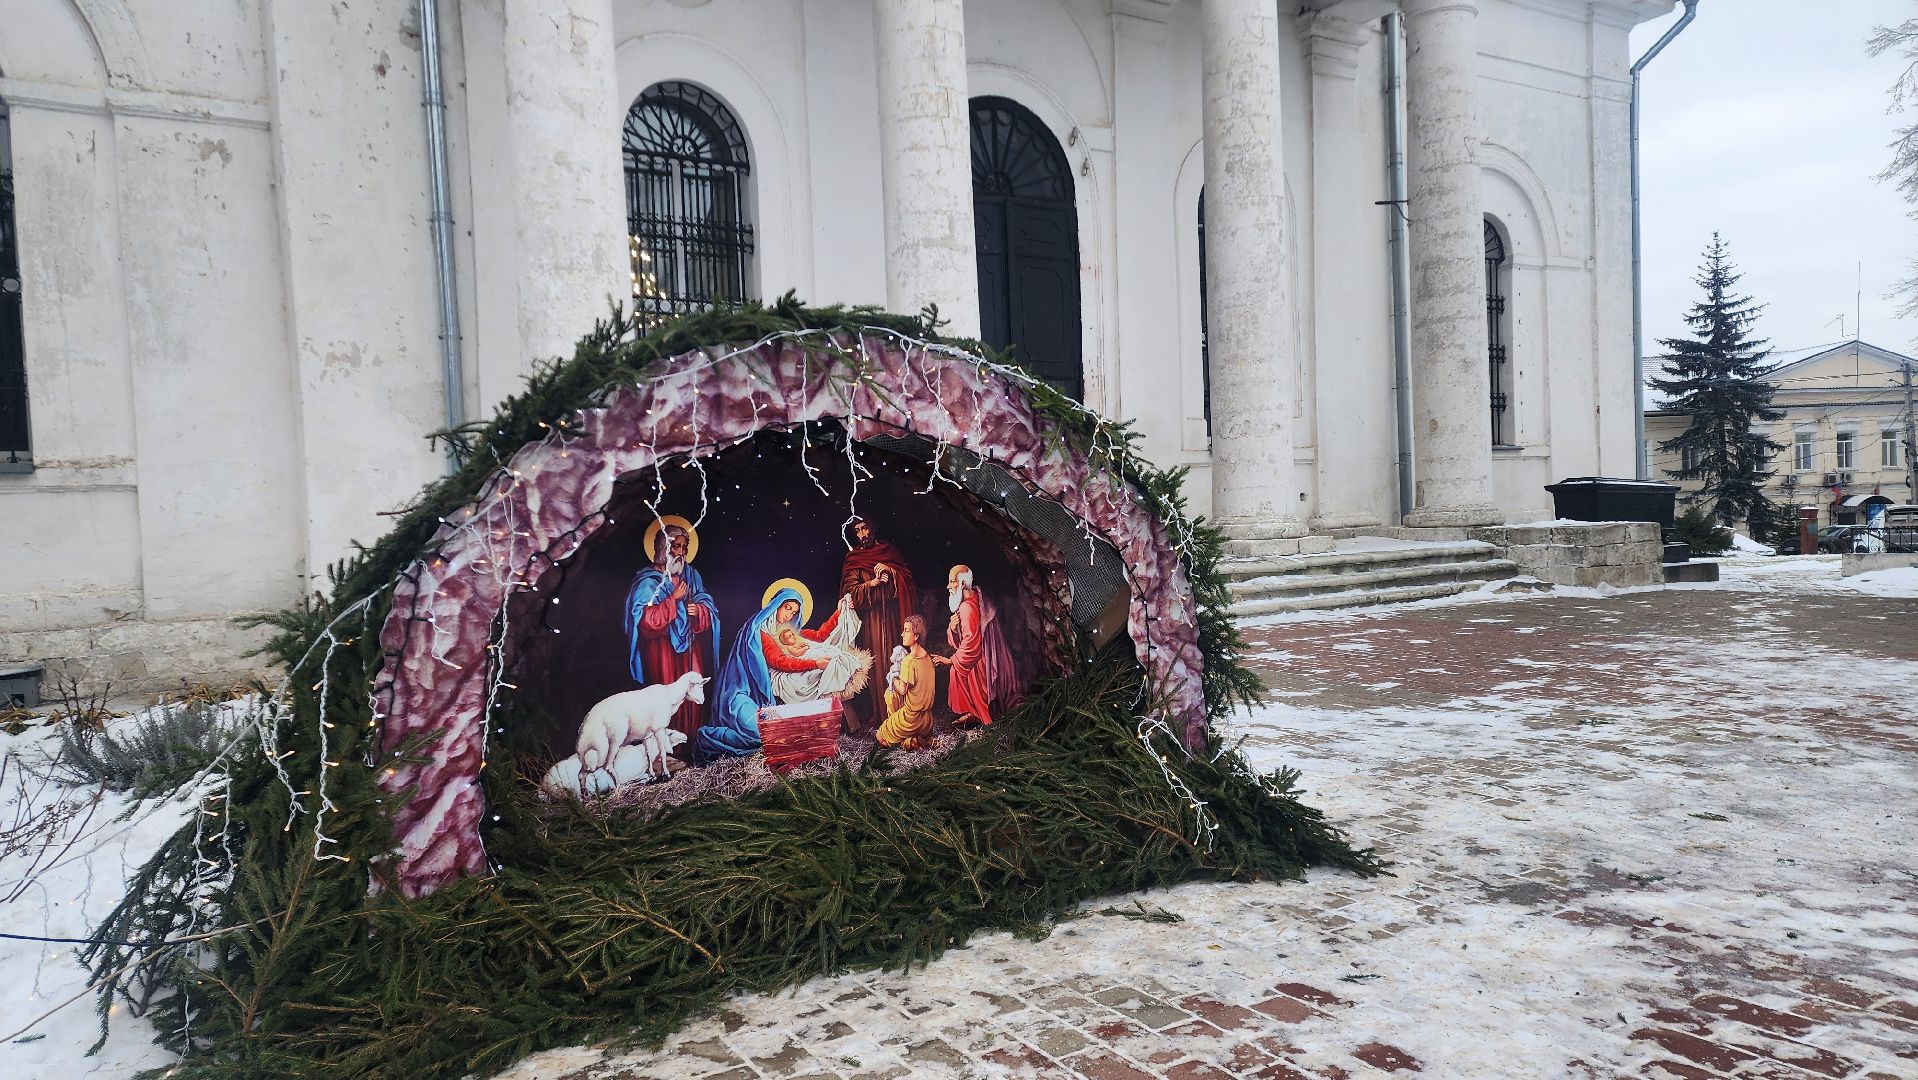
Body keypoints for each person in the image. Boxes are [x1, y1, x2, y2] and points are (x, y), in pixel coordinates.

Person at [623, 520, 719, 743]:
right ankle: (667, 747)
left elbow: (707, 604)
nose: (681, 553)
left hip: (690, 648)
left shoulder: (692, 576)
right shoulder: (648, 581)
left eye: (684, 548)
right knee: (667, 700)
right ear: (662, 548)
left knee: (693, 694)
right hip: (662, 650)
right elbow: (645, 622)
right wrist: (673, 600)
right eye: (676, 546)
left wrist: (700, 611)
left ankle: (690, 743)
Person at [837, 517, 917, 734]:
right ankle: (879, 712)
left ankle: (899, 710)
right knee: (875, 663)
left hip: (891, 617)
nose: (862, 534)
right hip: (870, 620)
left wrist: (891, 571)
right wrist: (871, 583)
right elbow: (849, 591)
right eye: (857, 530)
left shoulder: (889, 552)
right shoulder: (853, 558)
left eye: (864, 528)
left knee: (894, 659)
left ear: (872, 528)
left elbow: (907, 579)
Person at [935, 564, 993, 726]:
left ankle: (974, 712)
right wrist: (953, 629)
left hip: (978, 661)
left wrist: (950, 660)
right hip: (979, 654)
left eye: (952, 581)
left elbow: (971, 643)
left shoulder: (966, 607)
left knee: (956, 670)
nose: (948, 586)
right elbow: (963, 639)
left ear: (962, 585)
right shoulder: (976, 595)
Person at [876, 616, 935, 751]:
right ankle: (919, 738)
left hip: (911, 718)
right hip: (927, 720)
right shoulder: (927, 657)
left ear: (916, 636)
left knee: (880, 737)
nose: (902, 634)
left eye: (906, 630)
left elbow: (902, 689)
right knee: (890, 695)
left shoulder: (908, 660)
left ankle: (909, 742)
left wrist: (892, 678)